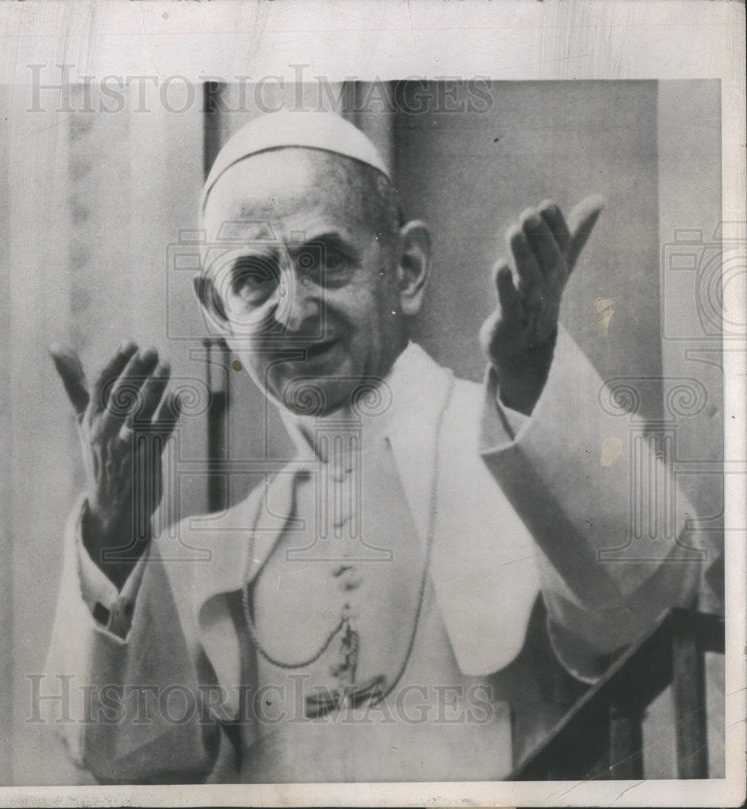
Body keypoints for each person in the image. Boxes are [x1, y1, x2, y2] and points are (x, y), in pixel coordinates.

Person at [42, 111, 704, 782]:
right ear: (217, 310)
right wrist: (116, 537)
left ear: (407, 268)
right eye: (253, 278)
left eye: (325, 261)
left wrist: (537, 381)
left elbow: (654, 607)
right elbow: (131, 761)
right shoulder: (209, 552)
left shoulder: (532, 448)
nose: (293, 312)